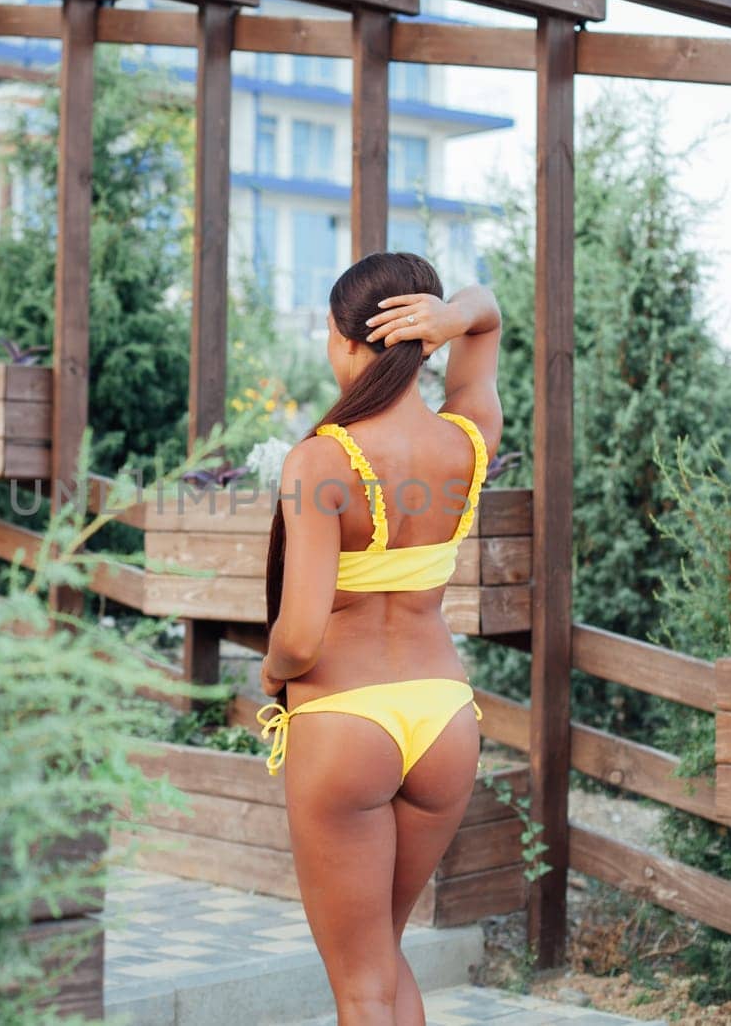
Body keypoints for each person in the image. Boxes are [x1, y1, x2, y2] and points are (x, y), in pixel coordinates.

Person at [256, 250, 503, 1026]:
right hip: (444, 720)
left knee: (361, 986)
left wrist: (270, 677)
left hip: (344, 723)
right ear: (422, 341)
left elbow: (299, 636)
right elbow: (489, 314)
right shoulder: (466, 442)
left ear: (345, 339)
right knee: (382, 959)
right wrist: (454, 319)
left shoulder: (323, 460)